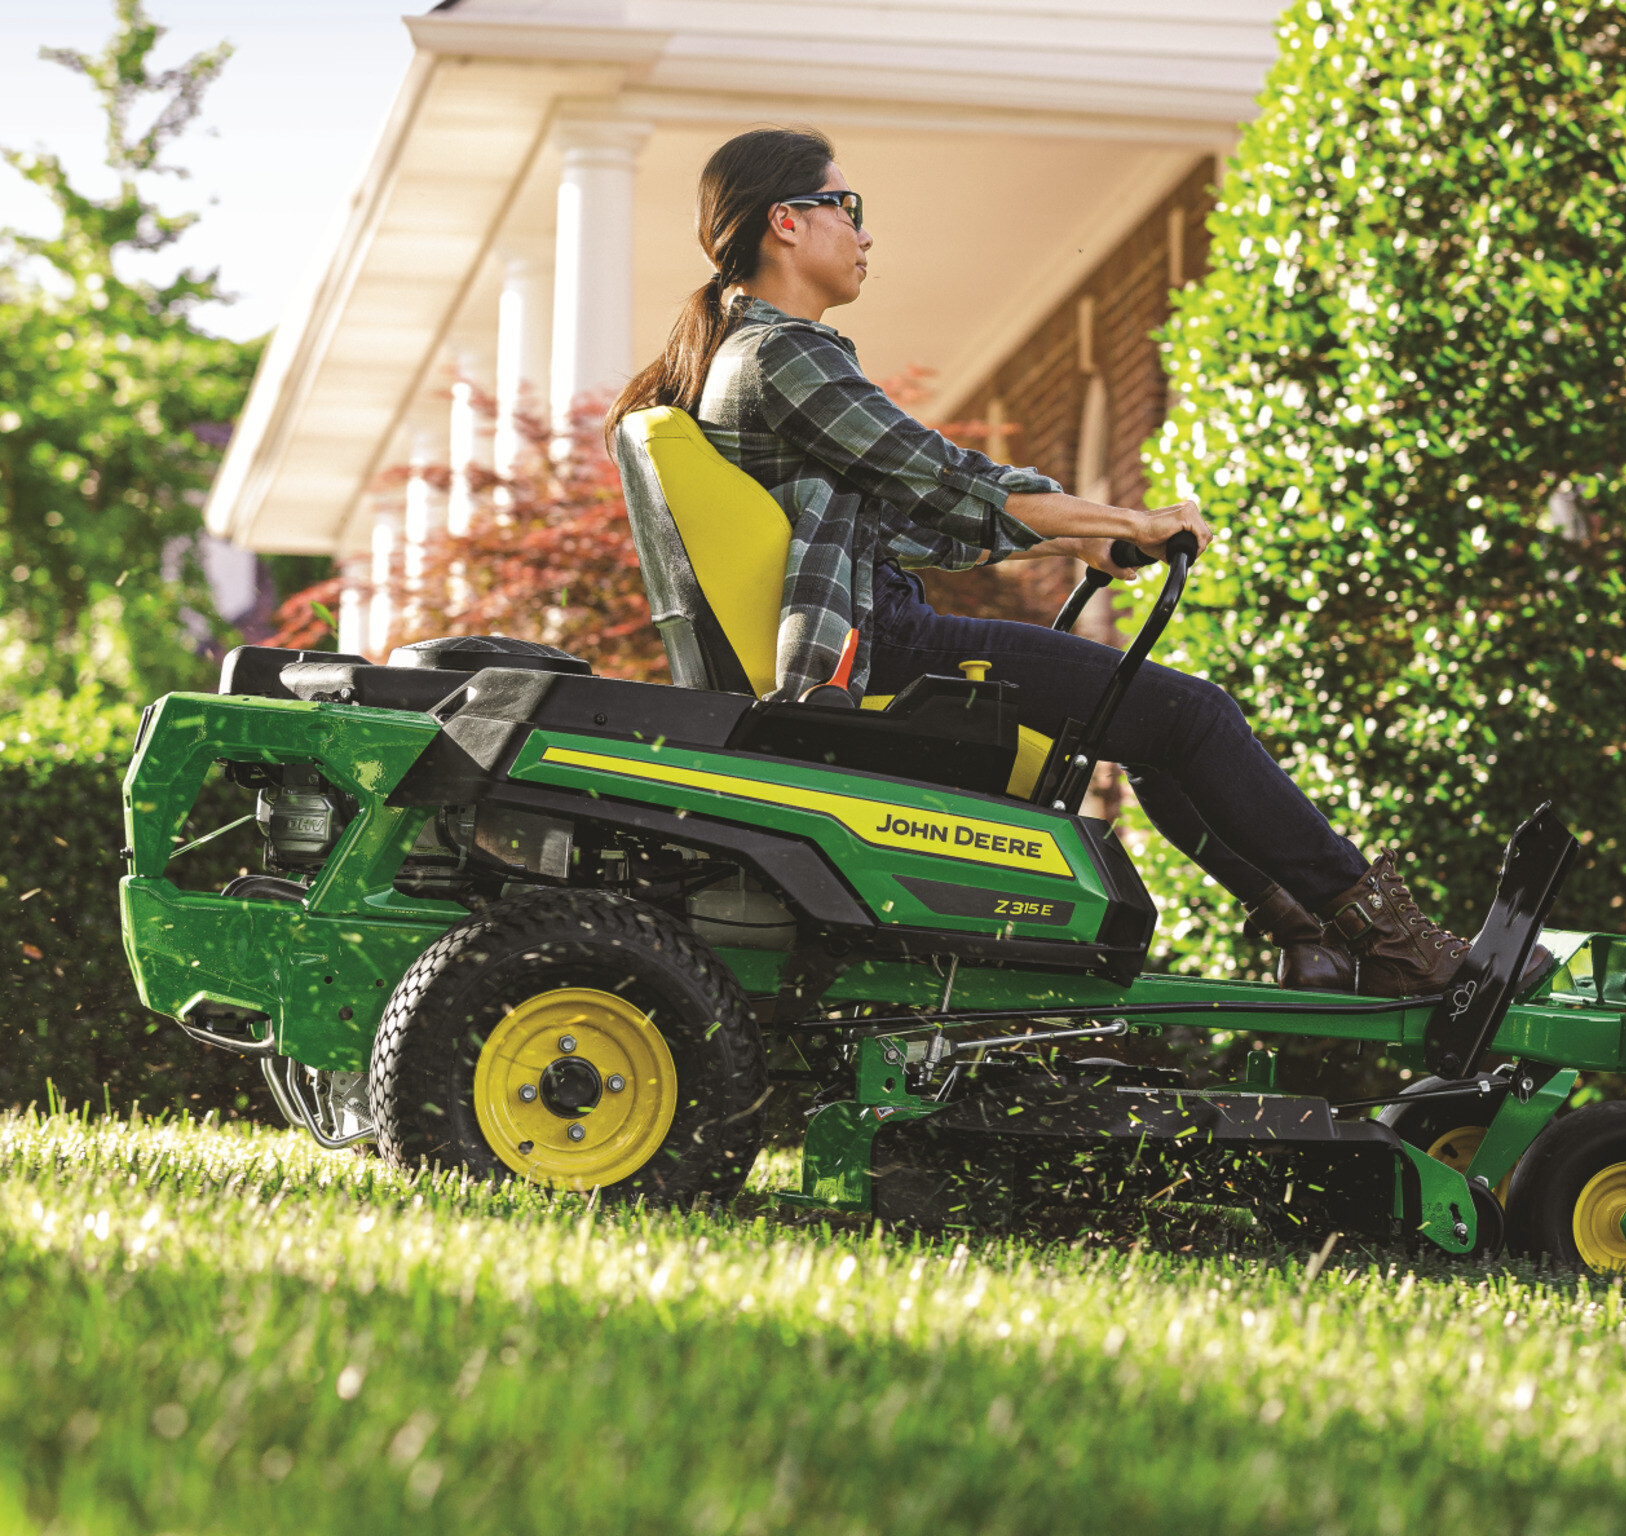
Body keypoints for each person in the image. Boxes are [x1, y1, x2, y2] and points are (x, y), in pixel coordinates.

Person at [607, 127, 1545, 1000]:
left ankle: (1309, 929)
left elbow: (901, 522)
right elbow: (948, 476)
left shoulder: (747, 355)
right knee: (1193, 714)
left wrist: (1079, 534)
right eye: (847, 207)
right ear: (788, 221)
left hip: (871, 636)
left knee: (1147, 716)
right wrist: (1128, 519)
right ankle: (1397, 947)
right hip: (882, 649)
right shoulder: (785, 357)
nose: (862, 234)